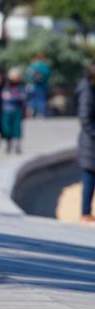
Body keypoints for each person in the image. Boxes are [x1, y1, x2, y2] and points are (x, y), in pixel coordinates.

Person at [76, 62, 95, 223]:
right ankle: (85, 212)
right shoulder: (87, 91)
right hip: (90, 144)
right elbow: (85, 118)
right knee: (89, 177)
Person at [0, 67, 27, 154]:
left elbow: (23, 97)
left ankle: (17, 145)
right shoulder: (5, 85)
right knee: (6, 128)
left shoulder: (21, 86)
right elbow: (3, 96)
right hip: (6, 109)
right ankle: (8, 144)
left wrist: (12, 97)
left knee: (17, 128)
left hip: (17, 109)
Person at [25, 54, 51, 118]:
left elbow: (27, 75)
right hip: (42, 86)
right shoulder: (45, 67)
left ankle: (34, 112)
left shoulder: (32, 66)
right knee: (41, 99)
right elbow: (48, 75)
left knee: (33, 99)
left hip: (34, 85)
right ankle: (40, 113)